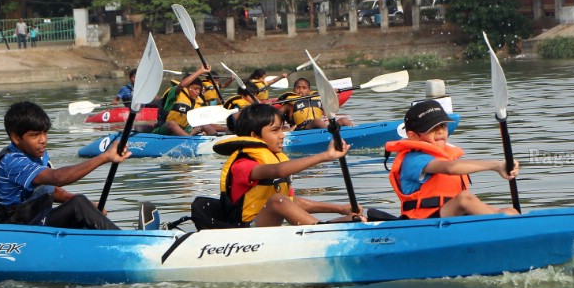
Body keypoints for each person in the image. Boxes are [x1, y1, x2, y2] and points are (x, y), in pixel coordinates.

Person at [213, 103, 364, 226]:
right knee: (277, 200)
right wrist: (326, 156)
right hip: (245, 232)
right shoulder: (242, 164)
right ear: (255, 136)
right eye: (275, 130)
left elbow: (291, 202)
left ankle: (326, 226)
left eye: (281, 129)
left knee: (282, 199)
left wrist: (340, 209)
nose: (282, 134)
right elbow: (278, 171)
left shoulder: (275, 158)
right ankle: (320, 230)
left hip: (267, 228)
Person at [0, 100, 129, 230]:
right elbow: (58, 178)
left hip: (34, 220)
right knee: (78, 204)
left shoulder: (36, 155)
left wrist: (89, 207)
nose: (43, 140)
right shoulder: (13, 162)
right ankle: (125, 242)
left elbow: (51, 190)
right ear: (16, 138)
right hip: (18, 228)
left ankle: (114, 239)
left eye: (45, 133)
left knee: (79, 203)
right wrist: (105, 157)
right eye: (35, 135)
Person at [385, 100, 520, 218]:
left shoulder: (447, 155)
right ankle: (504, 226)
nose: (440, 131)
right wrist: (496, 165)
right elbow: (450, 168)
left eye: (443, 125)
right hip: (423, 222)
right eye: (432, 128)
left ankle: (515, 226)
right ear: (413, 136)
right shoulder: (413, 159)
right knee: (464, 198)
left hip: (451, 218)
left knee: (510, 211)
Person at [153, 65, 219, 136]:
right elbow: (182, 85)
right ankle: (188, 141)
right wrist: (201, 71)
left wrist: (227, 129)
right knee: (171, 123)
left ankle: (214, 140)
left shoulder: (197, 102)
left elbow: (207, 123)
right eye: (195, 89)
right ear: (187, 88)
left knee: (204, 125)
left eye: (199, 89)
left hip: (184, 131)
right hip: (164, 129)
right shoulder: (175, 93)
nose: (198, 92)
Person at [279, 77, 354, 130]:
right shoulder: (289, 104)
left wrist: (334, 96)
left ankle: (356, 132)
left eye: (304, 88)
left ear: (309, 90)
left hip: (320, 126)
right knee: (316, 121)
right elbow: (276, 114)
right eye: (298, 88)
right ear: (293, 90)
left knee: (344, 120)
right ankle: (331, 133)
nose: (301, 90)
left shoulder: (317, 99)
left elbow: (329, 111)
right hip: (302, 129)